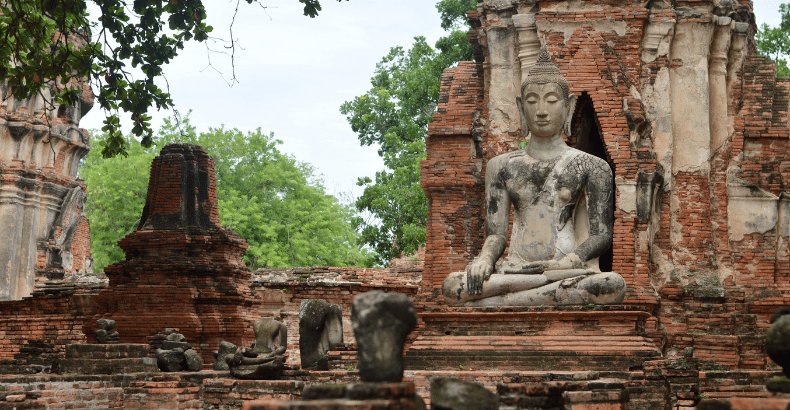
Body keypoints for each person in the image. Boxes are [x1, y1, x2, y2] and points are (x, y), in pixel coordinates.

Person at [442, 47, 626, 307]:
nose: (541, 110)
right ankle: (530, 295)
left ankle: (500, 302)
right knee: (452, 285)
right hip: (515, 270)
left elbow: (601, 236)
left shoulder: (592, 166)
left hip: (565, 270)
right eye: (532, 101)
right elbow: (497, 235)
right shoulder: (501, 166)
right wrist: (484, 260)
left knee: (610, 285)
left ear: (569, 107)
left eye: (551, 101)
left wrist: (564, 263)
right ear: (520, 107)